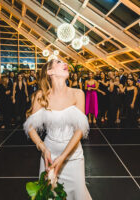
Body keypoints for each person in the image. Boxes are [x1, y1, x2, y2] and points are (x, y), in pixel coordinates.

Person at [23, 59, 92, 200]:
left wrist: (63, 157)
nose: (65, 63)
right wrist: (43, 148)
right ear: (50, 72)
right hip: (50, 155)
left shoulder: (78, 94)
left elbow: (80, 130)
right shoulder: (41, 96)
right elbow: (30, 127)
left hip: (73, 155)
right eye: (59, 62)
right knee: (50, 195)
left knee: (78, 193)